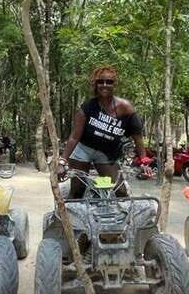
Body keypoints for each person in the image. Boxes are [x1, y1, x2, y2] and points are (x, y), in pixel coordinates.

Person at [59, 65, 152, 198]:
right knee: (78, 189)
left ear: (115, 85)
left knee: (119, 190)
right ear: (95, 84)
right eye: (100, 81)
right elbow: (74, 137)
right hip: (83, 150)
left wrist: (143, 161)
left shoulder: (125, 107)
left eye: (109, 82)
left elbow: (138, 137)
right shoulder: (87, 107)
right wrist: (62, 162)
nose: (105, 85)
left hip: (106, 154)